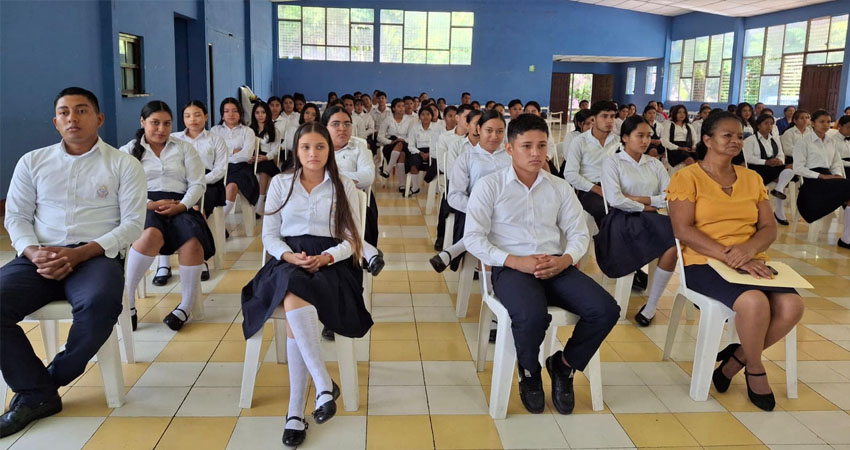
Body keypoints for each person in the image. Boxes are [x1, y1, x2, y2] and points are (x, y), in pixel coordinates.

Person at [0, 87, 146, 438]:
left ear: (99, 119)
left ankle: (51, 380)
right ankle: (36, 393)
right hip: (41, 254)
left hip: (95, 255)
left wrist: (80, 253)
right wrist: (34, 251)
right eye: (64, 112)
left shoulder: (123, 163)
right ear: (55, 122)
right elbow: (16, 216)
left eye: (81, 111)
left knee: (99, 304)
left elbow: (132, 225)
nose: (72, 118)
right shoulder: (32, 162)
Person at [464, 113, 618, 415]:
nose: (536, 153)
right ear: (510, 149)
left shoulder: (559, 187)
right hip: (511, 269)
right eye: (527, 146)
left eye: (542, 146)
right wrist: (513, 261)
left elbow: (578, 233)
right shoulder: (490, 186)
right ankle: (530, 372)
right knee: (531, 316)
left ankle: (564, 365)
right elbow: (473, 238)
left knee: (605, 310)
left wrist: (565, 260)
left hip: (554, 266)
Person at [241, 122, 372, 448]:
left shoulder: (344, 185)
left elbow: (353, 238)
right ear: (296, 151)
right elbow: (269, 235)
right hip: (288, 259)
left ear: (329, 151)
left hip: (333, 265)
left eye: (320, 147)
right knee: (292, 283)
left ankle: (297, 410)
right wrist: (288, 255)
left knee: (293, 293)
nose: (313, 154)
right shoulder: (281, 183)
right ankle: (322, 385)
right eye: (306, 148)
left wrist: (326, 258)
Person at [667, 111, 804, 411]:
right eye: (727, 135)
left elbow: (768, 228)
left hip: (750, 259)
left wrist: (748, 251)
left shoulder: (751, 178)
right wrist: (732, 257)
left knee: (793, 305)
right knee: (754, 303)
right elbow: (683, 230)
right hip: (703, 262)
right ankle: (754, 368)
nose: (735, 141)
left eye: (739, 136)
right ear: (707, 140)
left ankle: (735, 360)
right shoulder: (686, 177)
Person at [120, 101, 214, 331]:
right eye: (154, 123)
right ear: (142, 122)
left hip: (180, 204)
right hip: (144, 205)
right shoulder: (128, 151)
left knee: (192, 239)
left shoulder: (184, 148)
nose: (161, 129)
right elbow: (122, 189)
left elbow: (198, 184)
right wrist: (150, 204)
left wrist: (182, 206)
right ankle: (127, 301)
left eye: (166, 123)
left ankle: (186, 305)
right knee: (150, 234)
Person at [597, 116, 677, 326]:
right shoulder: (612, 162)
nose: (645, 141)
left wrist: (641, 200)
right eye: (639, 136)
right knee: (666, 236)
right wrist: (647, 206)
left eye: (648, 136)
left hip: (650, 218)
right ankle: (635, 275)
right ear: (625, 137)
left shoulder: (655, 164)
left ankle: (651, 305)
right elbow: (615, 199)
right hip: (621, 219)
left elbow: (669, 196)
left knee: (674, 243)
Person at [430, 110, 509, 273]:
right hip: (474, 209)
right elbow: (454, 196)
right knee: (487, 220)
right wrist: (479, 208)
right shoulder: (467, 157)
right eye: (489, 130)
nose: (495, 136)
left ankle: (452, 252)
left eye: (500, 131)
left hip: (509, 211)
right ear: (478, 129)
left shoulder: (511, 156)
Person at [169, 100, 229, 281]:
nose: (192, 119)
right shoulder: (175, 138)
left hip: (209, 183)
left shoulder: (215, 139)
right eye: (187, 116)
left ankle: (200, 257)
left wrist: (198, 181)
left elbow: (220, 169)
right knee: (164, 205)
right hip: (180, 182)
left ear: (206, 117)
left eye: (197, 115)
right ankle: (163, 263)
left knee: (196, 207)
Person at [793, 110, 850, 248]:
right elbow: (798, 168)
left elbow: (836, 162)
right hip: (812, 181)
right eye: (821, 121)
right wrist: (821, 176)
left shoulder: (831, 142)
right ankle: (846, 239)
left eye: (827, 121)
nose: (825, 125)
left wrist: (836, 175)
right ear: (812, 123)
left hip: (829, 178)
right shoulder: (803, 142)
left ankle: (846, 238)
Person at [564, 100, 619, 227]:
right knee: (606, 212)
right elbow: (570, 174)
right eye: (604, 116)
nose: (609, 120)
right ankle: (606, 245)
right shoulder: (580, 141)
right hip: (589, 190)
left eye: (612, 116)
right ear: (593, 120)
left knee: (632, 211)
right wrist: (597, 189)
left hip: (614, 187)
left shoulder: (618, 141)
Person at [742, 113, 796, 225]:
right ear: (758, 125)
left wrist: (779, 161)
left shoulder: (775, 140)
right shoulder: (751, 140)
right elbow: (748, 157)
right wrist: (765, 162)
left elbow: (781, 153)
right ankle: (779, 205)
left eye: (771, 124)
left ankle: (779, 189)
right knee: (785, 173)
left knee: (792, 168)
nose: (769, 126)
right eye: (766, 123)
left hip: (774, 167)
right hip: (758, 168)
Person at [211, 98, 259, 221]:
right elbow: (212, 154)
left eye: (234, 111)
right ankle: (215, 224)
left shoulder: (248, 131)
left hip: (241, 169)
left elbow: (246, 155)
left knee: (232, 186)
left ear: (240, 113)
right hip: (219, 168)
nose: (230, 114)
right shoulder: (215, 131)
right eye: (226, 111)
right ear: (222, 114)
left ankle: (218, 223)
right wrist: (233, 151)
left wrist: (224, 153)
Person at [433, 105, 467, 250]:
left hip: (473, 181)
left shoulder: (478, 139)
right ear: (457, 118)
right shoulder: (446, 137)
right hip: (453, 177)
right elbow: (442, 164)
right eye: (467, 118)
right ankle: (441, 235)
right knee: (448, 200)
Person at [250, 101, 282, 214]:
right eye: (257, 112)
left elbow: (275, 149)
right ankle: (252, 201)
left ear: (267, 113)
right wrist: (250, 157)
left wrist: (266, 157)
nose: (260, 115)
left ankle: (260, 201)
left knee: (263, 171)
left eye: (263, 112)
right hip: (252, 158)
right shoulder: (249, 130)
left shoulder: (274, 130)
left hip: (265, 158)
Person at [378, 98, 413, 193]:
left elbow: (411, 137)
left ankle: (387, 170)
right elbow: (380, 137)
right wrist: (390, 142)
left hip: (406, 144)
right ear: (393, 108)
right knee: (401, 154)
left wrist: (402, 140)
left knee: (401, 143)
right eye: (399, 106)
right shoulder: (388, 120)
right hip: (390, 145)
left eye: (403, 106)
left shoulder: (410, 120)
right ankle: (402, 185)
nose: (402, 108)